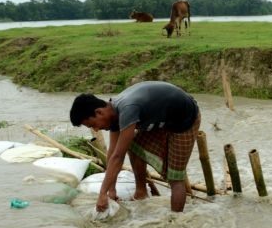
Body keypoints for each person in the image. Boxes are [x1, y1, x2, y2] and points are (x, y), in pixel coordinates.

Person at [70, 81, 200, 212]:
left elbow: (118, 157)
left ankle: (176, 219)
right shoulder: (113, 113)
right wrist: (111, 190)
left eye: (93, 125)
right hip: (162, 118)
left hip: (184, 119)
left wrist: (102, 194)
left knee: (175, 178)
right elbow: (113, 152)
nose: (96, 129)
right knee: (130, 143)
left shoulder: (127, 109)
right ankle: (141, 192)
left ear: (99, 112)